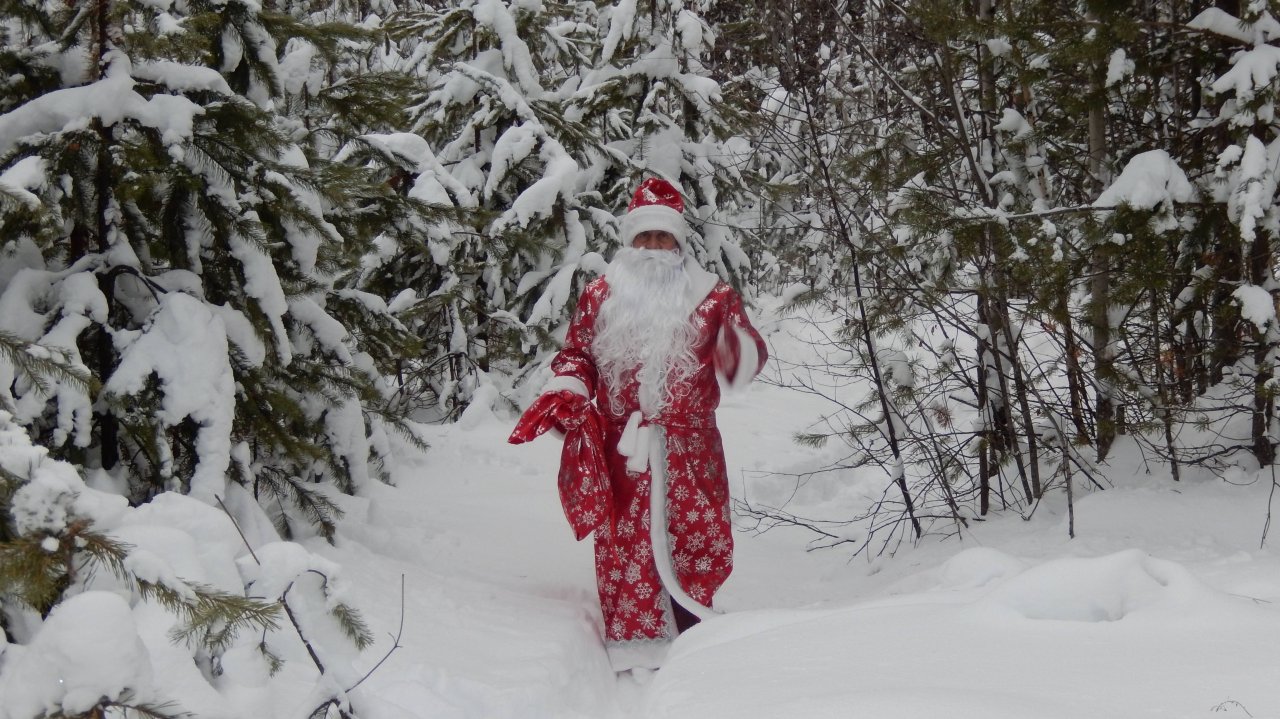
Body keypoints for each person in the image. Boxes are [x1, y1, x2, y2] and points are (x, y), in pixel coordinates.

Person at [508, 177, 768, 672]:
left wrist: (737, 352)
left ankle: (695, 635)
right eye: (643, 238)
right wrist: (569, 387)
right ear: (628, 243)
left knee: (699, 537)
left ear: (678, 241)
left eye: (662, 237)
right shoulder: (601, 295)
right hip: (621, 445)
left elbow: (745, 353)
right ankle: (636, 646)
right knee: (624, 543)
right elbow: (579, 354)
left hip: (690, 448)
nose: (652, 248)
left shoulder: (713, 297)